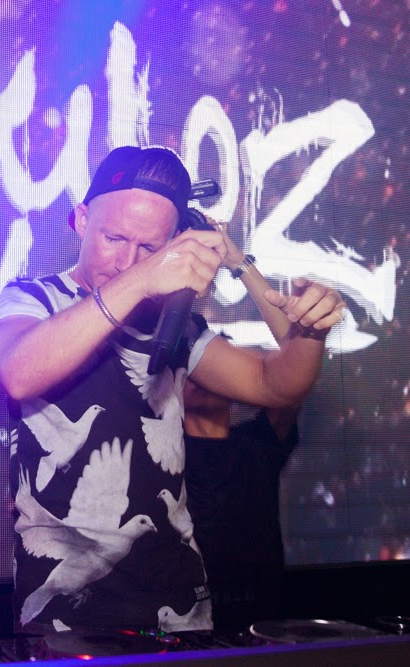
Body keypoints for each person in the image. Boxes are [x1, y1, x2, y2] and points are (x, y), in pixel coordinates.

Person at [0, 145, 344, 635]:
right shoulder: (32, 299)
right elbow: (18, 373)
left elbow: (276, 384)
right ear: (81, 220)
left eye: (149, 249)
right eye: (114, 238)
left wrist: (303, 324)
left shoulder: (175, 326)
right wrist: (145, 276)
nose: (127, 261)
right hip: (62, 607)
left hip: (177, 603)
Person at [182, 238, 303, 631]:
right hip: (186, 624)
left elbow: (296, 352)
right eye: (196, 367)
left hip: (264, 623)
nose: (206, 376)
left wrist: (240, 264)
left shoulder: (259, 444)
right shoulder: (161, 454)